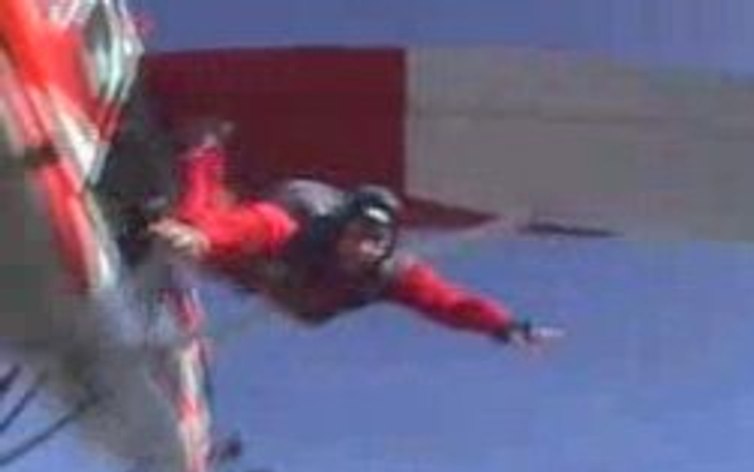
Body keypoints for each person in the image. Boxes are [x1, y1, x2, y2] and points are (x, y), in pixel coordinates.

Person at [148, 125, 561, 347]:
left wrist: (505, 326)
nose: (363, 248)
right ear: (340, 230)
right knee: (214, 227)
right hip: (259, 259)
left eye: (375, 240)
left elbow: (451, 304)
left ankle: (201, 179)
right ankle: (205, 152)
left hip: (302, 297)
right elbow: (262, 224)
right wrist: (200, 236)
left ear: (387, 245)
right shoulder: (305, 221)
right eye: (358, 234)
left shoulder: (393, 273)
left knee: (215, 239)